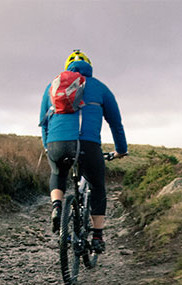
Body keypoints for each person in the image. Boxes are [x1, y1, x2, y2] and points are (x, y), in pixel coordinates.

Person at [39, 50, 128, 253]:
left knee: (58, 172)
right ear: (89, 67)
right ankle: (97, 236)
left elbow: (43, 123)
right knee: (97, 186)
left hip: (56, 143)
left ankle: (56, 207)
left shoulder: (51, 88)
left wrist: (48, 146)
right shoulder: (100, 87)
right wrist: (121, 150)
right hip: (87, 144)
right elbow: (115, 123)